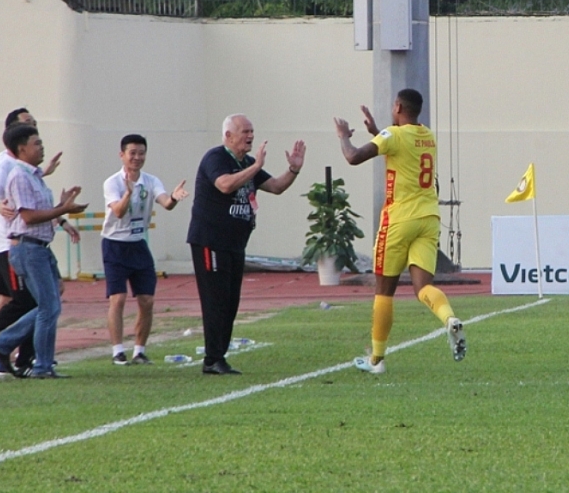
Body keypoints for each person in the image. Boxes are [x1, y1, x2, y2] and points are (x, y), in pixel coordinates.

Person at [334, 88, 466, 374]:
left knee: (384, 292)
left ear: (397, 107)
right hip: (428, 218)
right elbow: (399, 146)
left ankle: (377, 360)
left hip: (398, 220)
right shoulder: (427, 136)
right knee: (423, 287)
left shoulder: (392, 136)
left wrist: (344, 135)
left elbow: (353, 157)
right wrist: (375, 130)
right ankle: (449, 319)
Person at [187, 114, 306, 375]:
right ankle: (212, 359)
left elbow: (275, 186)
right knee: (215, 300)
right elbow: (225, 185)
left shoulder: (247, 162)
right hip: (211, 242)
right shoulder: (216, 158)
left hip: (234, 243)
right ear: (228, 136)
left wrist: (294, 169)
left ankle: (219, 356)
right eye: (244, 132)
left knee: (230, 301)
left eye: (252, 131)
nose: (250, 136)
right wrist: (256, 166)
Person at [0, 108, 71, 376]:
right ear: (16, 142)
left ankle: (10, 350)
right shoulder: (7, 167)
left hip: (34, 244)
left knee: (41, 302)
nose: (39, 139)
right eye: (29, 127)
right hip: (12, 243)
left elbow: (33, 203)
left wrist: (61, 210)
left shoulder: (30, 172)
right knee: (29, 303)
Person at [0, 124, 87, 379]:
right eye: (37, 143)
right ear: (22, 149)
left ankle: (7, 345)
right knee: (48, 307)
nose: (42, 148)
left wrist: (61, 206)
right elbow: (29, 217)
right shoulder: (19, 176)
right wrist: (63, 210)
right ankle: (36, 362)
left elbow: (39, 213)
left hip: (39, 246)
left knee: (50, 306)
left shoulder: (33, 175)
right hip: (29, 247)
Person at [102, 134, 188, 365]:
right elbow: (118, 212)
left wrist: (175, 197)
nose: (137, 157)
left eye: (141, 153)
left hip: (138, 244)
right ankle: (117, 351)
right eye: (132, 153)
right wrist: (128, 194)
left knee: (147, 300)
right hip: (114, 245)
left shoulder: (150, 181)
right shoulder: (112, 183)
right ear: (122, 155)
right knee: (117, 299)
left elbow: (166, 203)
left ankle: (139, 350)